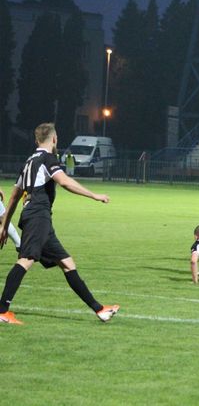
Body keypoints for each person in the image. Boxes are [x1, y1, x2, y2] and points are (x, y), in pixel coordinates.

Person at [0, 123, 119, 325]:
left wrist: (4, 225)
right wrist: (94, 195)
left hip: (37, 217)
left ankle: (99, 309)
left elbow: (13, 197)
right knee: (26, 259)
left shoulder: (29, 162)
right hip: (38, 216)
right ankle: (2, 310)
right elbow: (64, 181)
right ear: (54, 139)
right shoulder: (48, 159)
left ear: (36, 140)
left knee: (67, 263)